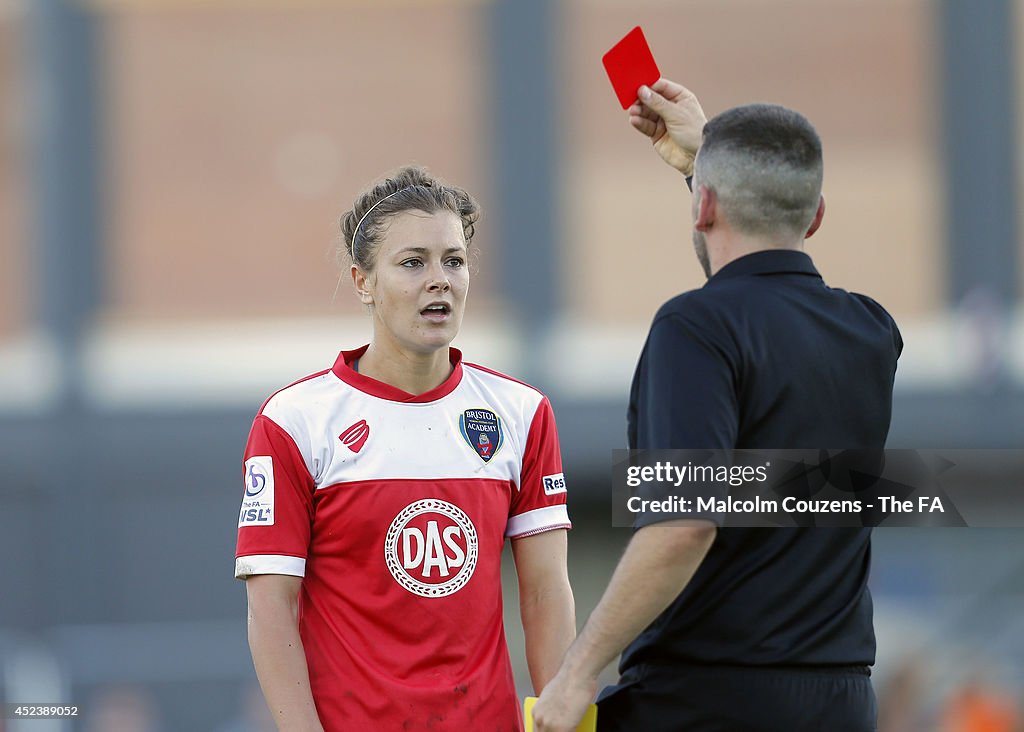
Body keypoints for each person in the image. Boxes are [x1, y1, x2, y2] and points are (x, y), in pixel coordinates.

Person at [533, 79, 902, 731]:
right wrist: (707, 162)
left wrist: (578, 673)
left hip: (707, 703)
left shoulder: (695, 328)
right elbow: (773, 298)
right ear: (815, 217)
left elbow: (684, 523)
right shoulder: (871, 331)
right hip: (842, 703)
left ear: (703, 206)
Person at [234, 166, 576, 731]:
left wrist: (569, 720)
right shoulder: (295, 422)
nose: (439, 279)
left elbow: (544, 592)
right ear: (363, 281)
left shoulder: (522, 413)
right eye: (413, 262)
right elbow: (271, 610)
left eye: (454, 260)